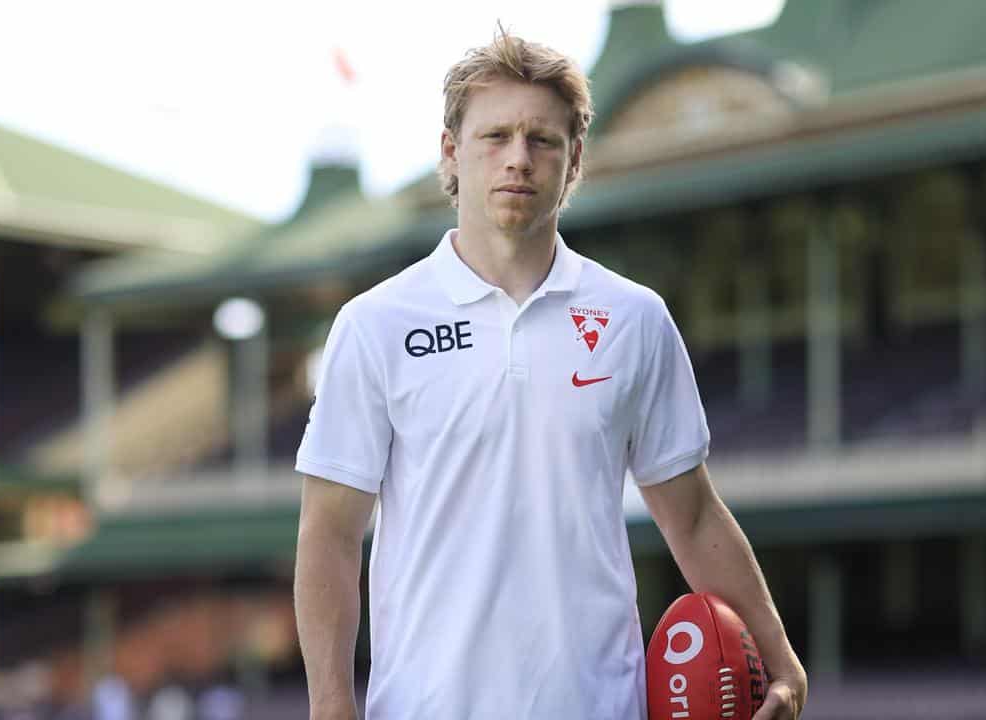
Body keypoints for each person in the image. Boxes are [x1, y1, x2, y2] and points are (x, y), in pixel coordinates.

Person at [294, 27, 806, 720]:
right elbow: (329, 534)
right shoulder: (374, 325)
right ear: (451, 152)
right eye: (495, 136)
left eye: (543, 140)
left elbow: (690, 514)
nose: (519, 160)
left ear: (574, 162)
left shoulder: (634, 318)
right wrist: (330, 706)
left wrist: (779, 657)